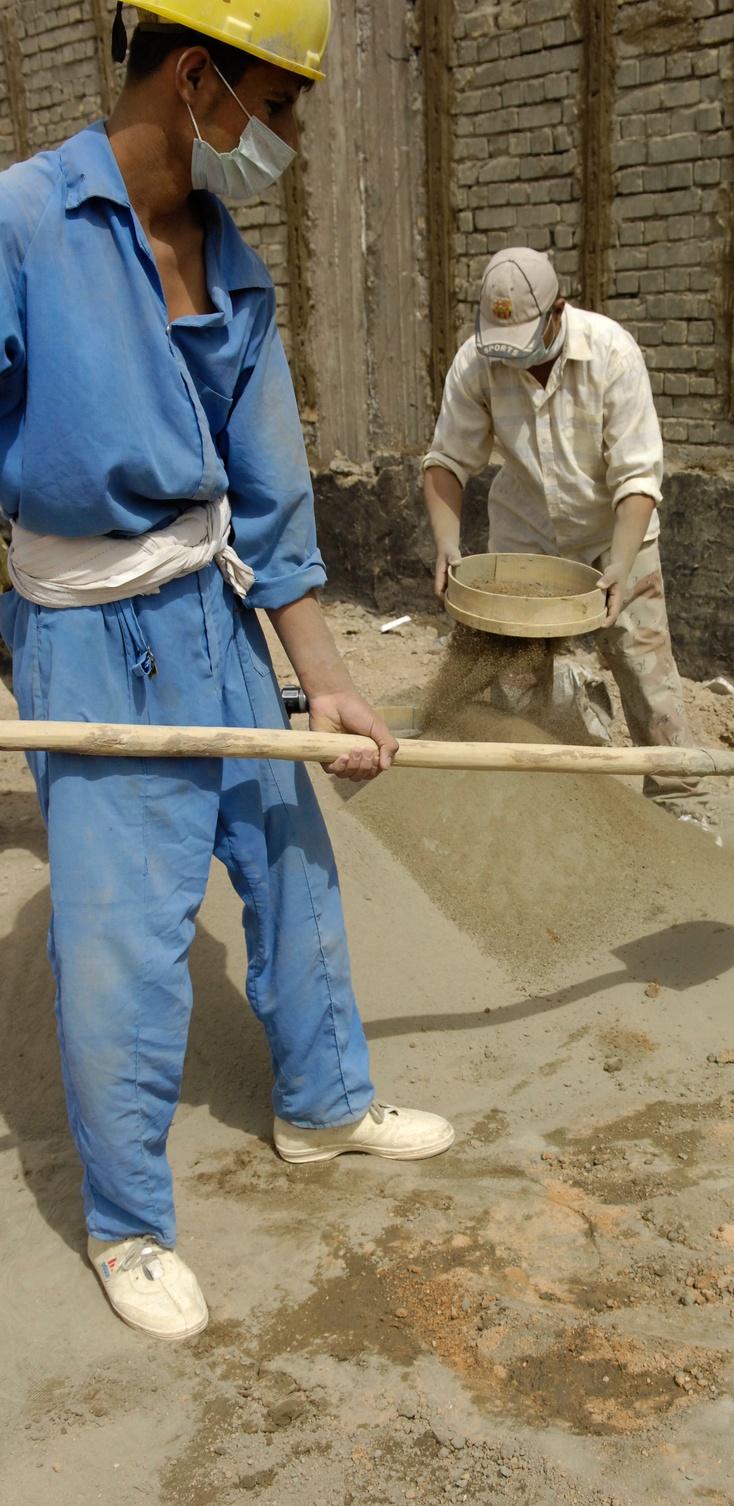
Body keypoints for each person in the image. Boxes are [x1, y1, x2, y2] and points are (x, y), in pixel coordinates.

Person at [0, 0, 453, 1342]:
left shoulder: (231, 256)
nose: (292, 136)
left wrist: (327, 679)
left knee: (291, 860)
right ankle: (130, 1222)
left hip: (216, 618)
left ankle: (321, 1102)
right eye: (285, 102)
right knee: (126, 938)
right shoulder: (25, 225)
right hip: (87, 634)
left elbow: (268, 496)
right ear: (196, 79)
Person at [422, 247, 695, 796]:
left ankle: (677, 799)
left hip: (615, 533)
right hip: (525, 542)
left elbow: (638, 478)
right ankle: (539, 799)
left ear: (557, 311)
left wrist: (619, 562)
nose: (515, 360)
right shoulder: (477, 363)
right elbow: (447, 460)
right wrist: (448, 544)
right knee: (516, 679)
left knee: (645, 669)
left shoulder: (612, 354)